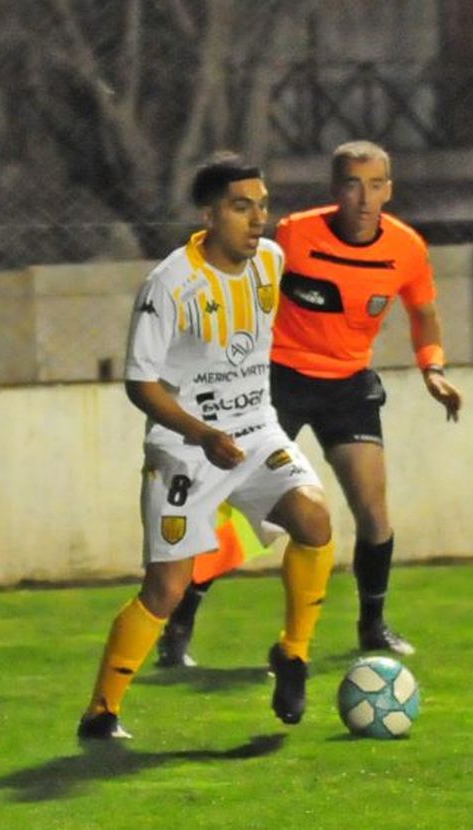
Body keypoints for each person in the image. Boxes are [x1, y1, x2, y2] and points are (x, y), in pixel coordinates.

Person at [157, 139, 462, 668]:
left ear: (388, 190)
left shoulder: (407, 247)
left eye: (374, 185)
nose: (363, 197)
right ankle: (180, 622)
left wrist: (432, 368)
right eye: (351, 184)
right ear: (334, 189)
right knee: (238, 514)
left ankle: (373, 625)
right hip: (279, 380)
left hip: (347, 386)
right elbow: (240, 277)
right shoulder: (297, 235)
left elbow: (424, 314)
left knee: (373, 510)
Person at [77, 153, 335, 740]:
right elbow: (140, 383)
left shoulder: (270, 263)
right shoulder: (170, 284)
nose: (257, 220)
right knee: (166, 589)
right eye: (242, 207)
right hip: (185, 448)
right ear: (210, 214)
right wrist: (201, 433)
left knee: (314, 518)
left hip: (255, 430)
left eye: (263, 206)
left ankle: (293, 654)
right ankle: (102, 711)